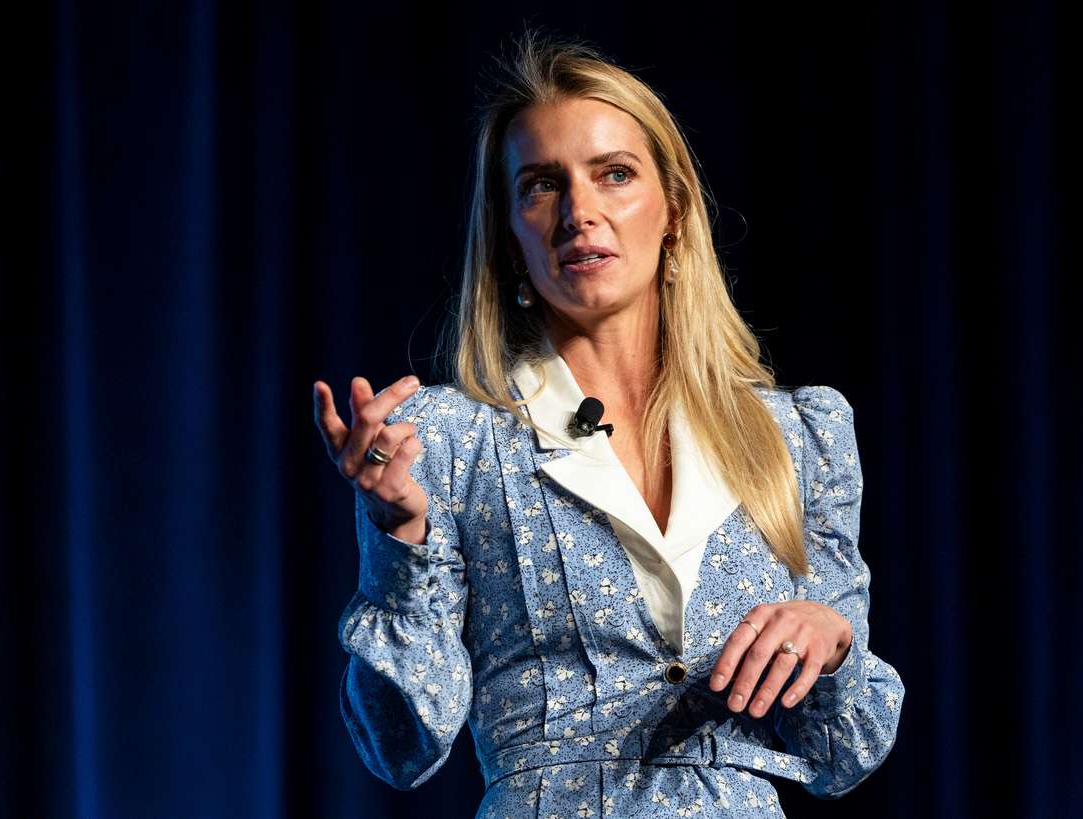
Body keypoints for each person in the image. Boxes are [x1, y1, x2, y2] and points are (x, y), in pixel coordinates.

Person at [312, 29, 904, 818]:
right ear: (511, 236)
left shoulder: (799, 436)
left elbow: (846, 750)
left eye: (614, 174)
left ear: (675, 210)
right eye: (542, 186)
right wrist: (398, 540)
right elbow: (400, 745)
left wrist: (829, 641)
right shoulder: (446, 441)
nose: (579, 212)